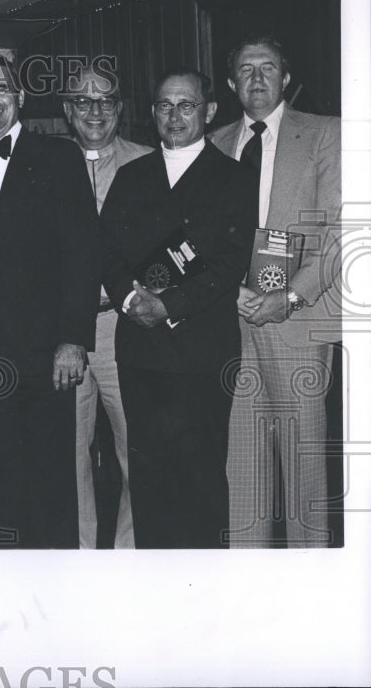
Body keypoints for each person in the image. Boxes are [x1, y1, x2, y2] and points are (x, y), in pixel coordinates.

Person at [0, 54, 100, 549]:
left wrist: (73, 339)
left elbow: (82, 254)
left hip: (48, 352)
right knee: (0, 485)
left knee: (50, 485)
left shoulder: (59, 157)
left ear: (21, 98)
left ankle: (57, 599)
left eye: (1, 89)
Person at [100, 68, 256, 548]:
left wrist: (166, 304)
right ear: (152, 114)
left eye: (186, 105)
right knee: (148, 480)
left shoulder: (233, 178)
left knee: (202, 476)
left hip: (203, 352)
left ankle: (205, 598)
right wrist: (129, 299)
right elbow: (106, 251)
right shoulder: (131, 175)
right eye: (165, 105)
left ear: (209, 112)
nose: (174, 115)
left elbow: (231, 263)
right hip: (140, 351)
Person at [210, 36, 341, 547]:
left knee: (303, 465)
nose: (258, 79)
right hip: (229, 322)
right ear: (230, 82)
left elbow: (340, 233)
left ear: (286, 78)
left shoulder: (324, 134)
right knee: (242, 469)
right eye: (246, 69)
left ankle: (312, 587)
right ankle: (251, 588)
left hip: (297, 321)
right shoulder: (216, 141)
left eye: (268, 68)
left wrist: (288, 296)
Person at [61, 65, 150, 549]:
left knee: (136, 448)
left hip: (125, 328)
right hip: (64, 336)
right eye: (82, 100)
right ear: (67, 110)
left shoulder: (148, 162)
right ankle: (80, 556)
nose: (94, 111)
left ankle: (127, 555)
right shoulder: (48, 162)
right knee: (67, 454)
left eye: (105, 100)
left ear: (119, 108)